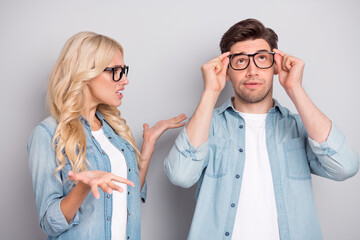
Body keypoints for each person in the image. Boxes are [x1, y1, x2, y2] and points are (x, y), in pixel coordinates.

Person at [164, 19, 359, 240]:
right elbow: (180, 175)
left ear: (276, 65)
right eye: (240, 61)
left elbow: (346, 166)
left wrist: (295, 88)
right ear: (227, 71)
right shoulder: (206, 124)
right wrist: (211, 91)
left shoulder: (299, 127)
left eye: (262, 58)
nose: (252, 70)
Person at [27, 31, 187, 240]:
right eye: (115, 71)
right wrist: (83, 186)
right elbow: (50, 222)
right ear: (85, 73)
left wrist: (148, 145)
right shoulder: (47, 133)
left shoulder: (113, 130)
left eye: (124, 70)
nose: (125, 80)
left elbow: (127, 193)